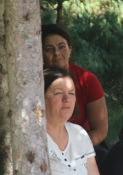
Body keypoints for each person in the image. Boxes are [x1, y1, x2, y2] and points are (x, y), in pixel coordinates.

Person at [41, 24, 109, 153]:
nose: (57, 54)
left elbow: (100, 130)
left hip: (83, 144)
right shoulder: (32, 83)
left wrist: (73, 150)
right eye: (49, 49)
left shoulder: (88, 80)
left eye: (62, 47)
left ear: (70, 50)